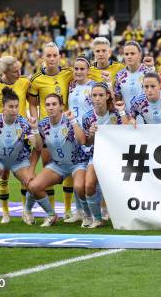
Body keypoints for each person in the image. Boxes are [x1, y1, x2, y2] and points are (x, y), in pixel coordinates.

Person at [0, 88, 41, 228]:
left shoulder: (24, 123)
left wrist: (35, 129)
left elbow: (37, 146)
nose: (14, 110)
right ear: (3, 107)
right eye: (11, 106)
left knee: (33, 182)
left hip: (19, 160)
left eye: (16, 106)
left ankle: (27, 211)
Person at [24, 94, 88, 227]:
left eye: (54, 104)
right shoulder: (42, 124)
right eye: (47, 105)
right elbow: (38, 147)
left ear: (61, 106)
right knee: (34, 186)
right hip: (58, 165)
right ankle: (51, 215)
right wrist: (35, 129)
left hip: (78, 163)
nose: (51, 107)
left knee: (79, 186)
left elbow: (82, 141)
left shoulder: (69, 120)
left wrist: (73, 121)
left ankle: (86, 215)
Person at [28, 42, 74, 219]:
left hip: (66, 129)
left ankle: (68, 210)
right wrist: (37, 124)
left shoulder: (68, 73)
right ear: (43, 58)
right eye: (49, 55)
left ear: (60, 56)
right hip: (47, 129)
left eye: (55, 55)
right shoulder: (36, 79)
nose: (52, 58)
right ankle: (53, 210)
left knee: (69, 165)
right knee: (48, 167)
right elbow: (32, 104)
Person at [0, 56, 31, 223]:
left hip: (22, 136)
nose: (20, 73)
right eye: (15, 71)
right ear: (4, 72)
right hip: (1, 138)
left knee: (25, 177)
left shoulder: (25, 82)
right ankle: (5, 213)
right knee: (3, 176)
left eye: (20, 69)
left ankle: (26, 211)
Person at [82, 83, 124, 228]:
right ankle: (97, 218)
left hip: (117, 156)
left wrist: (124, 114)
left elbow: (128, 132)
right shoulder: (87, 117)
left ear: (107, 96)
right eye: (94, 95)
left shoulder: (116, 113)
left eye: (101, 95)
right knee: (88, 185)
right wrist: (91, 134)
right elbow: (87, 143)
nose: (97, 99)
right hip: (96, 156)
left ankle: (122, 214)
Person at [65, 56, 96, 223]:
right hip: (73, 134)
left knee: (91, 175)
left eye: (82, 69)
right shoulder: (70, 87)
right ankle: (79, 212)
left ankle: (99, 210)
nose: (78, 71)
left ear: (88, 70)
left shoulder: (93, 87)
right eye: (76, 69)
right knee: (75, 172)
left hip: (88, 134)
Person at [114, 41, 154, 112]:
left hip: (147, 119)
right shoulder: (119, 75)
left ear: (139, 55)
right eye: (126, 54)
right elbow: (117, 99)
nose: (129, 56)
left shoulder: (148, 72)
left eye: (132, 53)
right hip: (128, 120)